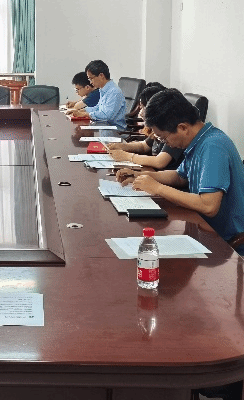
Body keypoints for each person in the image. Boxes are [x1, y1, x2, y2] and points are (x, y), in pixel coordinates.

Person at [116, 88, 244, 255]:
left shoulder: (213, 147)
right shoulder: (199, 140)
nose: (165, 143)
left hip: (223, 242)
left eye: (163, 138)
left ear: (182, 127)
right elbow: (179, 177)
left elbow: (209, 206)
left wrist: (157, 188)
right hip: (200, 226)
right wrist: (141, 176)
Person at [106, 84, 183, 170]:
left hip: (160, 173)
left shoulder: (173, 131)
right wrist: (121, 146)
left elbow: (159, 162)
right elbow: (144, 146)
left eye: (143, 108)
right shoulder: (159, 127)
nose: (141, 113)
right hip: (154, 172)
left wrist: (128, 156)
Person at [67, 60, 127, 128]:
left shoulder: (114, 92)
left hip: (114, 130)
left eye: (91, 78)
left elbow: (107, 116)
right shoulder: (103, 90)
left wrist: (85, 114)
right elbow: (98, 108)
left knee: (80, 131)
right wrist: (82, 110)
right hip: (103, 126)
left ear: (101, 76)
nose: (90, 82)